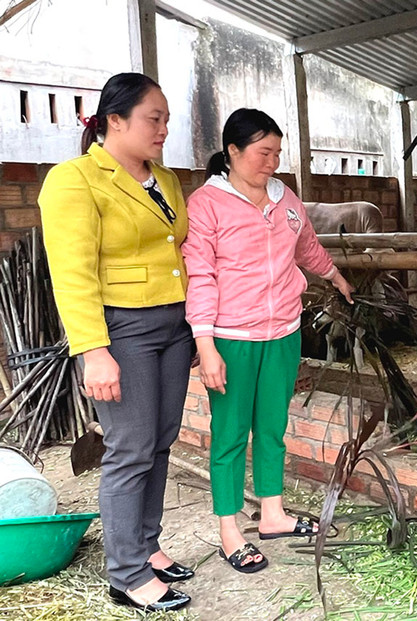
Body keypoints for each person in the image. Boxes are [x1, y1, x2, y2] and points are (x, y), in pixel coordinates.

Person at [38, 73, 193, 612]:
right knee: (129, 447)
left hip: (173, 325)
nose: (164, 129)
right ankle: (125, 572)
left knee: (161, 438)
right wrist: (92, 350)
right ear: (115, 120)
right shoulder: (75, 179)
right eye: (155, 118)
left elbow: (180, 251)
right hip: (120, 328)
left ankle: (145, 546)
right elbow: (72, 272)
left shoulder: (166, 181)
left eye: (167, 119)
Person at [181, 108, 354, 573]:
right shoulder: (207, 204)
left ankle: (273, 513)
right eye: (262, 153)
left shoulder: (285, 199)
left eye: (277, 152)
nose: (272, 162)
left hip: (283, 332)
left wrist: (335, 276)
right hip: (232, 337)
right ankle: (229, 529)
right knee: (231, 434)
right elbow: (199, 276)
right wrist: (205, 345)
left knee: (273, 427)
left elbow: (307, 247)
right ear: (233, 152)